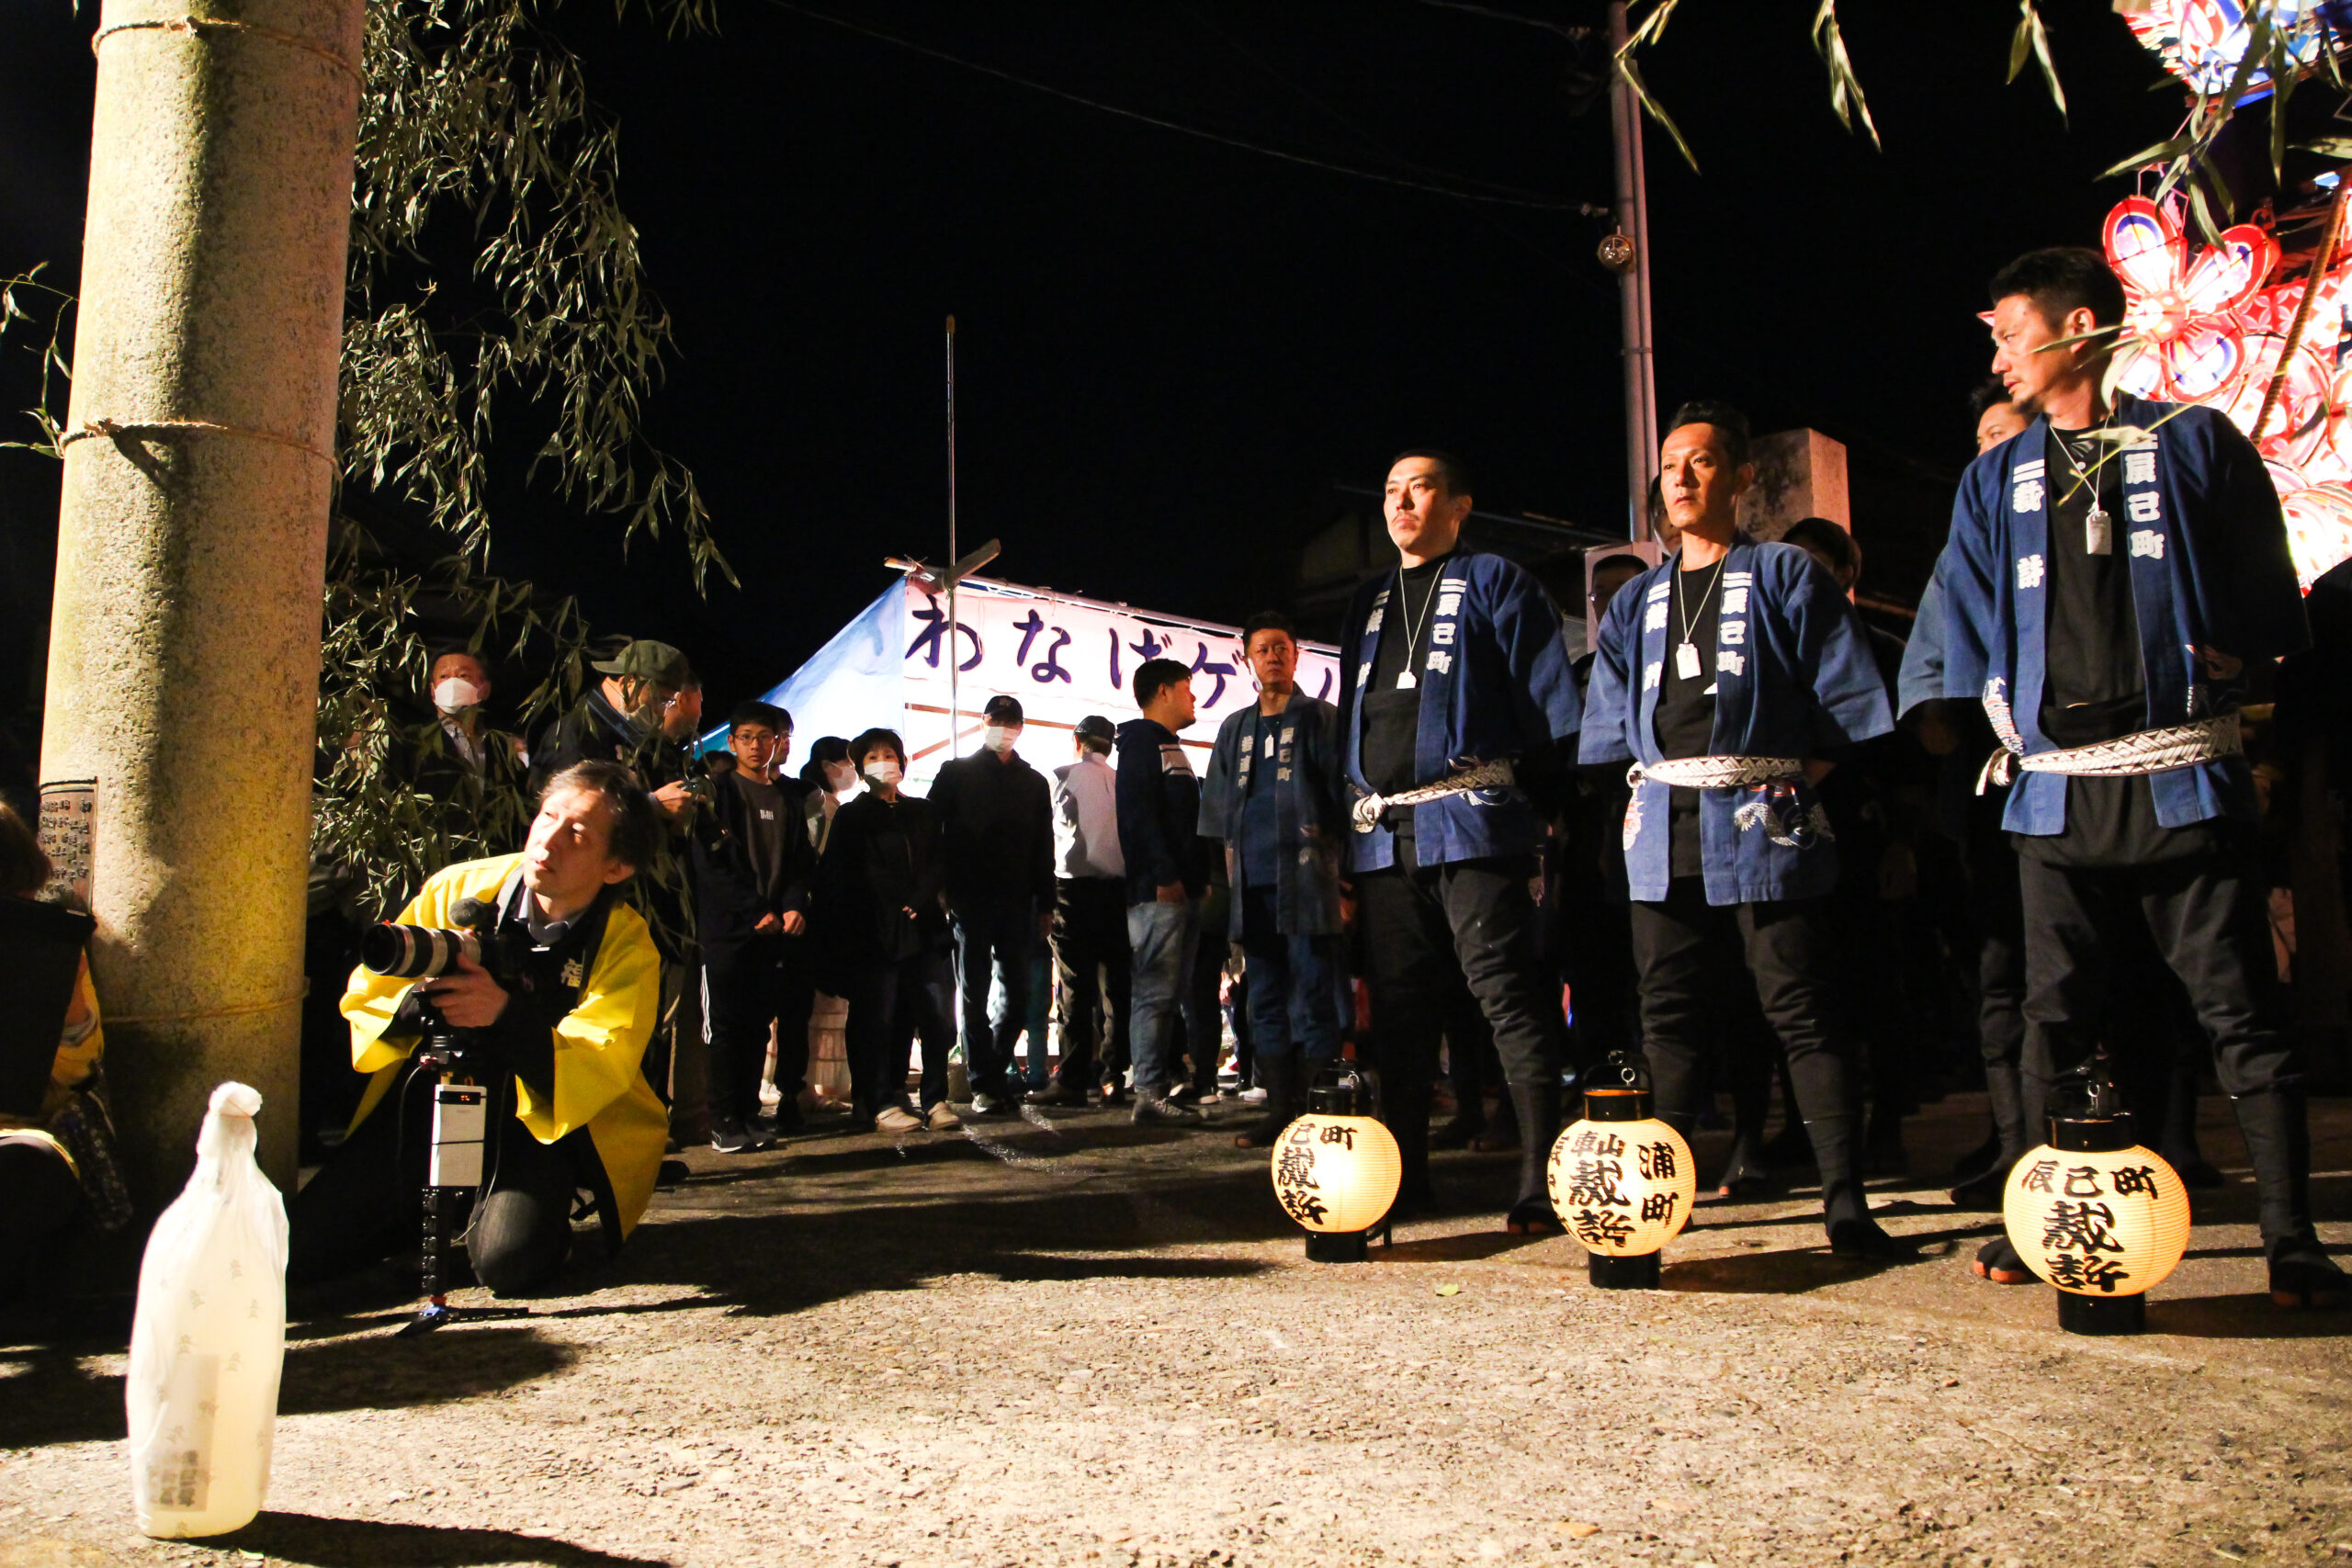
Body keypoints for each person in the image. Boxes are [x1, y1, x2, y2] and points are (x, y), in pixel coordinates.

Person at [1931, 246, 2344, 1306]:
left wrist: (2234, 656)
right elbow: (1966, 622)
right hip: (2057, 788)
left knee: (2237, 1012)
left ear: (2078, 327)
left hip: (2177, 779)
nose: (2001, 354)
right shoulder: (1994, 476)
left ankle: (2289, 1237)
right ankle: (2040, 1218)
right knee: (2052, 1013)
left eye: (2012, 332)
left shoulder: (2193, 440)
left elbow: (2263, 601)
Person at [1581, 401, 1902, 1257]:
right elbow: (1614, 733)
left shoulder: (1787, 575)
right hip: (1666, 825)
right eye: (1671, 464)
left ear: (1741, 476)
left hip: (1766, 817)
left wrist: (1788, 784)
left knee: (1800, 1006)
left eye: (1701, 463)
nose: (1680, 478)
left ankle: (1844, 1199)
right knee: (1669, 1016)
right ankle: (1657, 1202)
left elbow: (1849, 709)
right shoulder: (1637, 603)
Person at [288, 761, 670, 1295]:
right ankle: (411, 1211)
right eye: (547, 817)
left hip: (536, 1120)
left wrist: (504, 1014)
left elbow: (601, 1057)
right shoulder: (462, 888)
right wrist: (421, 1004)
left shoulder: (624, 944)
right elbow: (369, 990)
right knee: (296, 1256)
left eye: (577, 834)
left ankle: (526, 1218)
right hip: (434, 1090)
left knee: (510, 1266)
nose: (547, 842)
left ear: (616, 868)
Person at [1337, 450, 1583, 1229]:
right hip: (1386, 831)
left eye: (1420, 487)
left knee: (1506, 996)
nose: (1401, 501)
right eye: (1389, 490)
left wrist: (1544, 808)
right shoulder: (1369, 600)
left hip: (1474, 820)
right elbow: (1354, 710)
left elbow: (1548, 707)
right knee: (1401, 1015)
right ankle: (1404, 1180)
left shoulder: (1498, 581)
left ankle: (1538, 1179)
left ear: (1459, 504)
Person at [1199, 611, 1347, 1148]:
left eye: (1282, 647)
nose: (1273, 657)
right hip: (1253, 885)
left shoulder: (1322, 718)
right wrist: (1223, 885)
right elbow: (1216, 818)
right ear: (1248, 660)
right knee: (1262, 996)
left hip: (1310, 881)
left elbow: (1345, 800)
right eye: (1262, 649)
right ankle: (1280, 1108)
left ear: (1296, 654)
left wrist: (1346, 882)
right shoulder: (1233, 728)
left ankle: (1322, 1110)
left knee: (1313, 993)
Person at [0, 804, 130, 1306]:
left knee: (33, 1169)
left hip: (14, 1131)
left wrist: (67, 999)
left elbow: (75, 1073)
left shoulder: (47, 944)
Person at [810, 728, 956, 1134]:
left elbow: (937, 861)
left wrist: (920, 897)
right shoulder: (853, 816)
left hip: (924, 929)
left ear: (903, 762)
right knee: (877, 1017)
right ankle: (875, 1099)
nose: (883, 762)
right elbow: (843, 875)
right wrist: (889, 904)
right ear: (859, 768)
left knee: (932, 1016)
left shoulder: (923, 811)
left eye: (889, 754)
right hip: (874, 932)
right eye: (872, 757)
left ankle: (934, 1098)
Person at [692, 701, 820, 1152]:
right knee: (725, 1027)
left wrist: (793, 905)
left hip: (776, 933)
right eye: (746, 737)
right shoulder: (717, 793)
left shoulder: (789, 796)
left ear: (778, 743)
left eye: (764, 737)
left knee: (757, 1027)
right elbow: (710, 865)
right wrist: (751, 910)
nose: (755, 746)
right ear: (731, 742)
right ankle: (723, 1119)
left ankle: (749, 1115)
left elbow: (800, 863)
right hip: (728, 932)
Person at [927, 694, 1056, 1115]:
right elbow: (931, 831)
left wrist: (1045, 903)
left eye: (1010, 721)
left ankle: (995, 1072)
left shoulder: (1033, 782)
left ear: (1021, 727)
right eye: (994, 719)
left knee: (1018, 994)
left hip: (1018, 899)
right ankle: (983, 1082)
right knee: (973, 991)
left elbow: (1044, 847)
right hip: (969, 898)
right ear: (982, 723)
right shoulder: (956, 773)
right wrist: (940, 885)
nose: (1002, 727)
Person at [1118, 658, 1215, 1124]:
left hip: (1182, 888)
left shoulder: (1166, 745)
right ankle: (1150, 1093)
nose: (1194, 697)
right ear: (1162, 692)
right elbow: (1138, 815)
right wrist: (1164, 875)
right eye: (1188, 688)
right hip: (1161, 891)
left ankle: (1159, 1088)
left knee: (1169, 992)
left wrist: (1198, 879)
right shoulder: (1141, 742)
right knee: (1155, 993)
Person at [1036, 715, 1132, 1107]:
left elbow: (1049, 838)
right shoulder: (1122, 782)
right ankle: (1115, 1078)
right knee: (1117, 987)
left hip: (1073, 890)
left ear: (1077, 741)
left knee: (1075, 986)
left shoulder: (1062, 775)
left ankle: (1073, 1079)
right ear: (1109, 746)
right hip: (1119, 891)